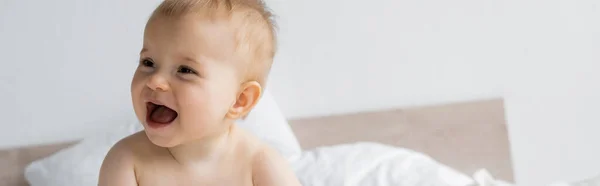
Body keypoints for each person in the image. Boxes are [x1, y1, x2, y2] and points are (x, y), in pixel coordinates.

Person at [98, 0, 302, 185]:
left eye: (185, 70)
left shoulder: (260, 164)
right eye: (148, 62)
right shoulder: (126, 161)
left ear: (239, 100)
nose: (155, 81)